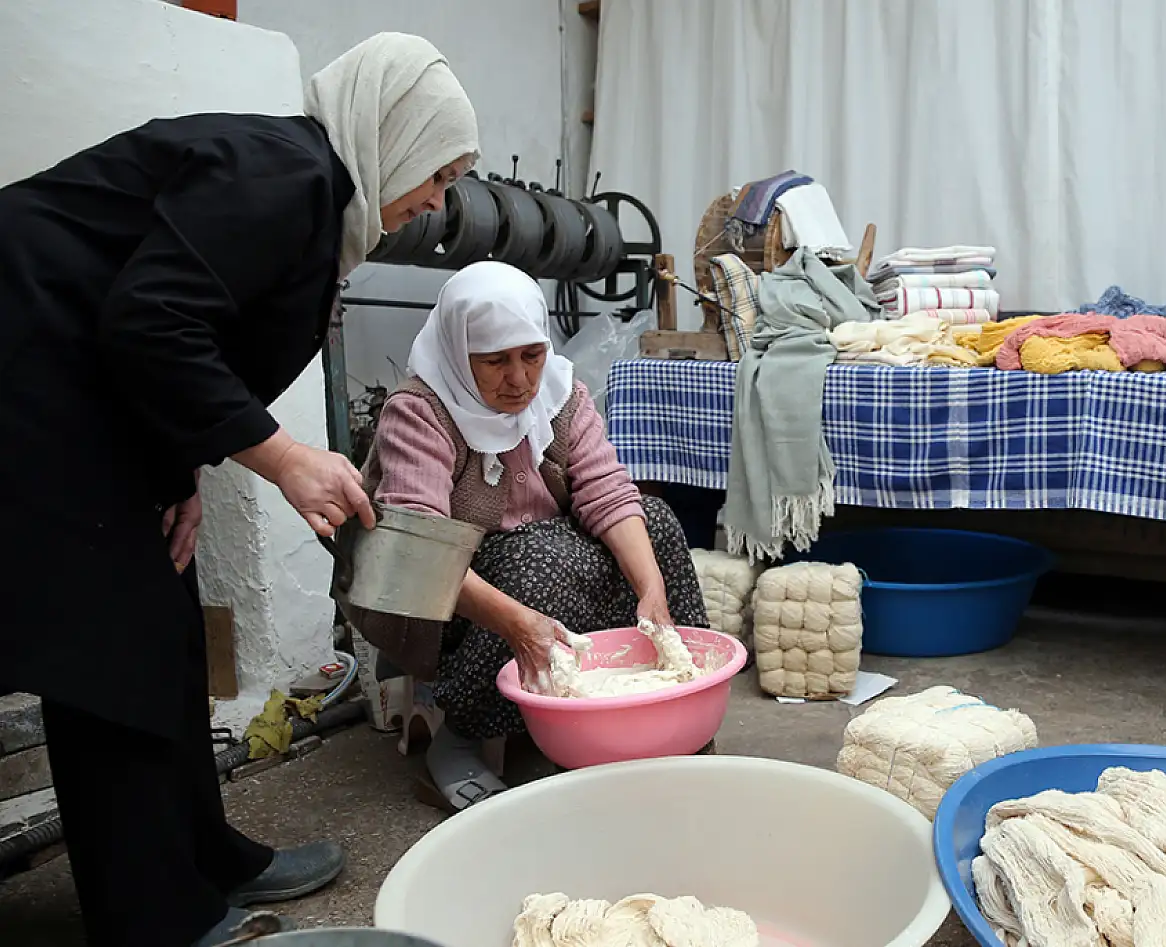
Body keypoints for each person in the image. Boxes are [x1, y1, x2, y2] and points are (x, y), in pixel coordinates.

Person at [0, 33, 479, 947]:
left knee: (170, 617)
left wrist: (176, 465)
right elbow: (149, 322)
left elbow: (177, 334)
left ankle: (203, 850)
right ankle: (155, 917)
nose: (435, 202)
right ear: (398, 136)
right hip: (25, 374)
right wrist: (286, 456)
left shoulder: (309, 196)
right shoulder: (281, 173)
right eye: (440, 173)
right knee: (109, 649)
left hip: (80, 384)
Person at [356, 261, 708, 811]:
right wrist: (521, 627)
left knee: (653, 520)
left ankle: (667, 695)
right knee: (534, 560)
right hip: (442, 600)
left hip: (540, 566)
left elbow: (606, 492)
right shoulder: (421, 412)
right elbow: (415, 555)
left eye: (531, 355)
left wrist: (651, 590)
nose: (519, 380)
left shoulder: (561, 395)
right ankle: (459, 736)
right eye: (495, 361)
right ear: (458, 352)